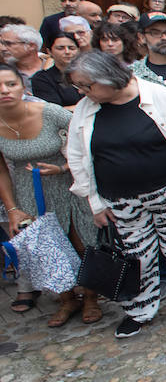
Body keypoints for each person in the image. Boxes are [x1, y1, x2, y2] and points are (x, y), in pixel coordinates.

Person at [64, 50, 166, 338]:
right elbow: (77, 156)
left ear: (107, 78)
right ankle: (140, 310)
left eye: (86, 85)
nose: (82, 92)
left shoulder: (156, 96)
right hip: (120, 200)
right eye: (78, 87)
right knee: (135, 256)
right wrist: (93, 202)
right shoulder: (85, 109)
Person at [0, 65, 99, 325]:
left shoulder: (51, 113)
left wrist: (63, 167)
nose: (4, 91)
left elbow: (87, 142)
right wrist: (12, 209)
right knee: (46, 248)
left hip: (67, 183)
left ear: (23, 87)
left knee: (82, 241)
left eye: (10, 84)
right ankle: (67, 301)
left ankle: (91, 297)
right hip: (27, 190)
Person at [29, 33, 81, 108]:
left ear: (78, 50)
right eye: (60, 48)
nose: (67, 52)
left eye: (71, 48)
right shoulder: (42, 78)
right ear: (49, 51)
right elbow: (52, 110)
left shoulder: (90, 73)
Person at [1, 24, 46, 89]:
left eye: (9, 44)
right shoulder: (3, 71)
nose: (3, 49)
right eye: (3, 44)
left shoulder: (53, 68)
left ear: (31, 46)